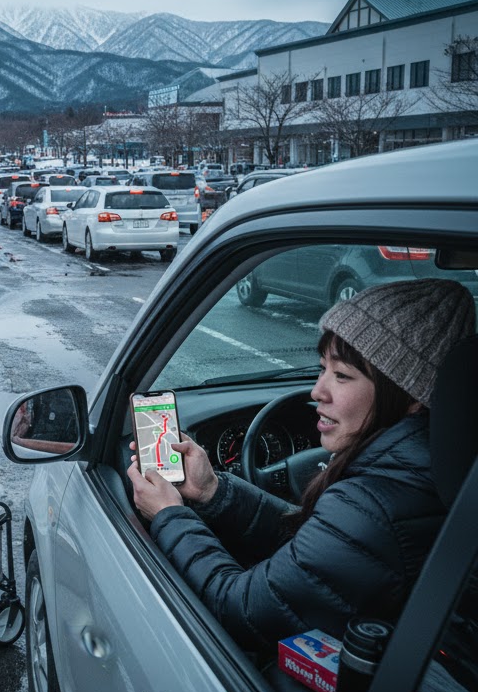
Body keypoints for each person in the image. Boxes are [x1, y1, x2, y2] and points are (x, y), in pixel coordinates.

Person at [126, 278, 476, 652]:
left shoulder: (374, 505)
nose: (317, 391)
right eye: (322, 368)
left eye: (342, 375)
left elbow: (239, 609)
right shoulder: (428, 472)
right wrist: (213, 492)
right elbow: (313, 545)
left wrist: (168, 514)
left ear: (410, 398)